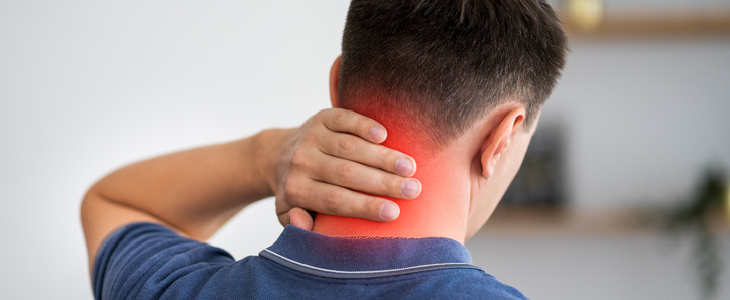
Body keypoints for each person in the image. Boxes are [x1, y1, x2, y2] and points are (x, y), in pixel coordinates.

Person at [82, 0, 567, 299]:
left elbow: (113, 202)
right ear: (502, 137)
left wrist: (265, 156)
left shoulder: (177, 291)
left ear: (337, 86)